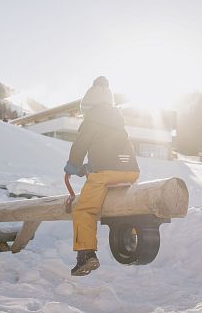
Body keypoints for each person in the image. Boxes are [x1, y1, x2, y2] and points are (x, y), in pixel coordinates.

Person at [64, 76, 140, 276]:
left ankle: (86, 254)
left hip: (105, 173)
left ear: (88, 106)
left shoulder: (92, 119)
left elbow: (80, 145)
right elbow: (113, 149)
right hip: (130, 171)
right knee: (126, 206)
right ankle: (129, 240)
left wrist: (73, 166)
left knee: (84, 210)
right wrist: (91, 166)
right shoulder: (118, 122)